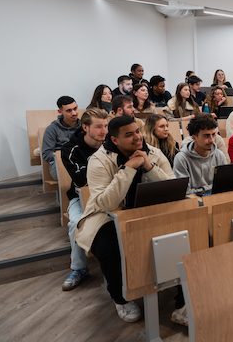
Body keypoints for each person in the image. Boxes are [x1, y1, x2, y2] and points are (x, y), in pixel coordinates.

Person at [75, 116, 175, 322]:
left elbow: (172, 187)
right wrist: (129, 168)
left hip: (147, 212)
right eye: (129, 135)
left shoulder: (154, 153)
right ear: (114, 140)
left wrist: (148, 166)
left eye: (137, 131)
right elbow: (106, 203)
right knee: (110, 247)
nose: (137, 137)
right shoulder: (98, 160)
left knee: (183, 233)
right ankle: (119, 297)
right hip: (106, 217)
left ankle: (175, 288)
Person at [60, 108, 108, 291]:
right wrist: (102, 154)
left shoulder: (111, 143)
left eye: (105, 126)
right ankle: (79, 269)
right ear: (85, 127)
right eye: (98, 127)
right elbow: (81, 180)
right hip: (81, 197)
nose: (103, 131)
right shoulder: (70, 149)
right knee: (76, 223)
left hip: (108, 195)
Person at [173, 115, 227, 195]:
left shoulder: (219, 155)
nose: (212, 140)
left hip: (217, 198)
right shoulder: (181, 159)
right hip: (194, 202)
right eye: (206, 136)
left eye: (213, 135)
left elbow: (225, 185)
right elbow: (185, 192)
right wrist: (211, 189)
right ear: (194, 138)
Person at [42, 96, 81, 179]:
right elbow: (46, 154)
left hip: (81, 160)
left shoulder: (84, 126)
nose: (74, 113)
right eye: (68, 111)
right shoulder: (52, 129)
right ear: (60, 111)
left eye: (75, 108)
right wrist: (65, 155)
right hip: (61, 163)